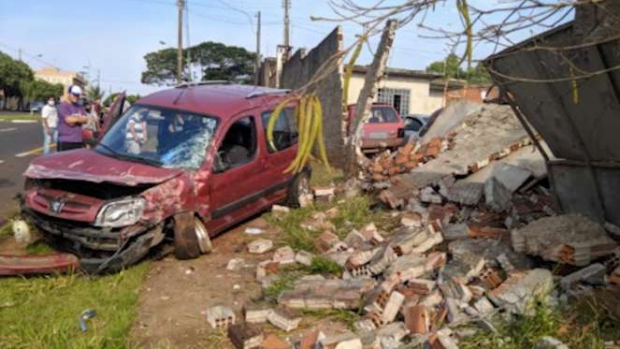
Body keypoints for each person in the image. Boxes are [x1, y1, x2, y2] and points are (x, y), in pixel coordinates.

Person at [57, 85, 89, 151]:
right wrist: (79, 118)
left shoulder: (80, 106)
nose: (77, 97)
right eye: (74, 95)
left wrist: (75, 118)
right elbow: (69, 121)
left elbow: (86, 120)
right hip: (66, 141)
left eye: (78, 95)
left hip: (78, 141)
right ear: (69, 94)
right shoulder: (63, 106)